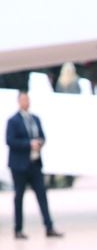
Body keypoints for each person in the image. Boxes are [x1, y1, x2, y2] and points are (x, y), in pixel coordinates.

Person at [5, 91, 64, 238]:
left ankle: (49, 226)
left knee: (42, 195)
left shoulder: (35, 119)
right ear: (19, 101)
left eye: (28, 99)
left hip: (35, 163)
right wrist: (28, 144)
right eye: (23, 100)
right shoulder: (13, 121)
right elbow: (10, 141)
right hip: (19, 165)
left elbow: (42, 136)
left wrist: (39, 143)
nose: (26, 102)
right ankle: (18, 229)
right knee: (19, 197)